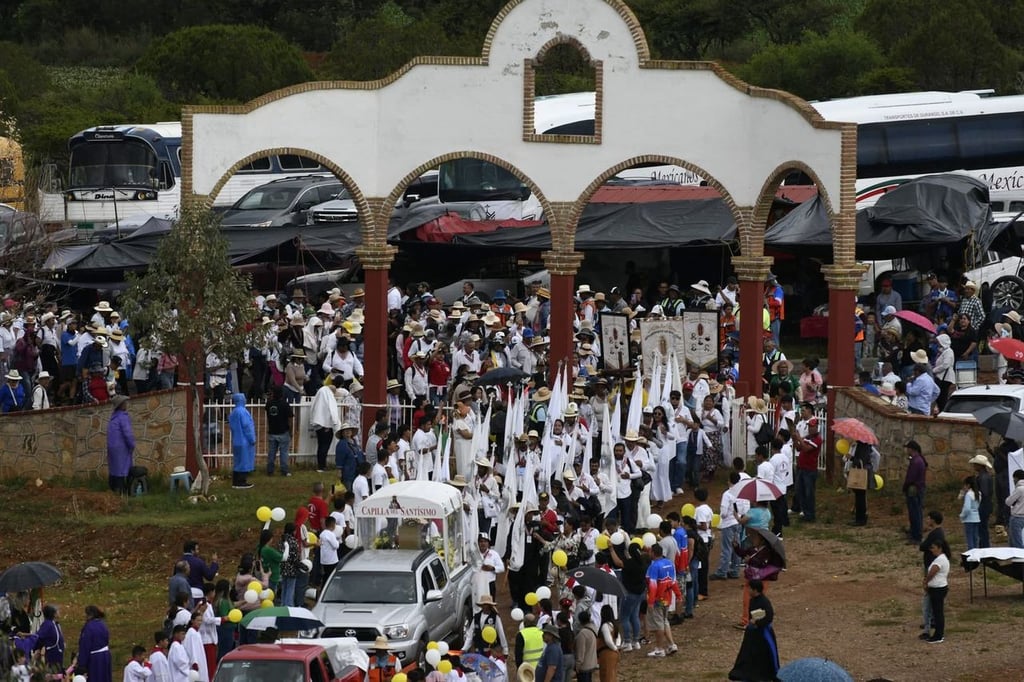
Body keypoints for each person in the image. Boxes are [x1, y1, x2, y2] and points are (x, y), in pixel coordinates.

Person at [728, 578, 780, 681]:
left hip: (763, 633)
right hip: (753, 632)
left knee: (763, 655)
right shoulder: (753, 601)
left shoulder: (764, 602)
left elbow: (769, 617)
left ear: (755, 590)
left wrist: (757, 622)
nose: (748, 591)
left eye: (750, 589)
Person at [645, 543, 681, 658]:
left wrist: (650, 601)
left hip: (657, 600)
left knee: (658, 624)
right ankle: (671, 644)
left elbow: (653, 585)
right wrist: (678, 595)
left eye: (650, 551)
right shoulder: (669, 563)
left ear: (653, 553)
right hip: (667, 598)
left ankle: (659, 649)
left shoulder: (654, 566)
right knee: (665, 621)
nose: (648, 553)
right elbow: (673, 581)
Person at [918, 510, 944, 640]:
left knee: (928, 596)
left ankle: (929, 622)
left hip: (930, 566)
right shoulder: (939, 533)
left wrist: (925, 581)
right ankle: (932, 620)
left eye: (928, 518)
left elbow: (923, 546)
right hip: (932, 566)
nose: (927, 520)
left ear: (933, 520)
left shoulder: (934, 534)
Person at [619, 542, 645, 652]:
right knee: (634, 616)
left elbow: (618, 562)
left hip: (629, 593)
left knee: (624, 617)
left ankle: (627, 641)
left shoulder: (629, 563)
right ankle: (636, 641)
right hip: (639, 594)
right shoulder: (642, 562)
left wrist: (611, 550)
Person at [923, 539, 951, 644]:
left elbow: (932, 572)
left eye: (933, 548)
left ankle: (938, 635)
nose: (932, 550)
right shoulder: (943, 559)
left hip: (937, 589)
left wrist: (926, 582)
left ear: (940, 548)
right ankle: (938, 634)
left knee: (938, 613)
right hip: (939, 587)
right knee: (937, 612)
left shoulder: (940, 560)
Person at [106, 394, 135, 494]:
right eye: (125, 403)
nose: (126, 404)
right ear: (121, 405)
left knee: (114, 468)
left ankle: (113, 488)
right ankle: (122, 490)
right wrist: (132, 445)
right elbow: (127, 433)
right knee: (122, 468)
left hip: (112, 446)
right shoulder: (123, 417)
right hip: (121, 447)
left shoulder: (113, 418)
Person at [77, 605, 113, 682]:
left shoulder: (89, 627)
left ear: (90, 615)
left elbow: (85, 646)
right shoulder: (102, 625)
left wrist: (82, 664)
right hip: (105, 656)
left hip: (95, 659)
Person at [228, 393, 255, 489]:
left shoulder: (233, 412)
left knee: (237, 462)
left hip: (236, 440)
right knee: (244, 462)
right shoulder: (243, 412)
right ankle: (241, 482)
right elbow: (247, 427)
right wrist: (252, 439)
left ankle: (235, 481)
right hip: (245, 441)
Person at [903, 441, 928, 544]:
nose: (907, 450)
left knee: (915, 512)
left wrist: (905, 486)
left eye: (908, 448)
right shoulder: (919, 460)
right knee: (917, 512)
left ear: (912, 449)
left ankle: (916, 535)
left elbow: (910, 478)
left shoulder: (916, 461)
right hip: (918, 488)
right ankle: (915, 532)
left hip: (914, 489)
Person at [265, 385, 292, 476]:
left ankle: (270, 470)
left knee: (271, 452)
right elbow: (290, 418)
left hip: (272, 431)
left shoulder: (269, 404)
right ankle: (284, 470)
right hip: (283, 431)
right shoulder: (285, 404)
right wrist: (290, 430)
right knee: (284, 452)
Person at [969, 454, 995, 548]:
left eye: (975, 464)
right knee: (982, 528)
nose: (974, 466)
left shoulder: (983, 477)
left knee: (982, 529)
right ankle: (983, 546)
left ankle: (985, 548)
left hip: (983, 506)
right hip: (986, 505)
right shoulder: (985, 476)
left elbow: (984, 493)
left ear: (980, 465)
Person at [33, 603, 65, 671]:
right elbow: (39, 637)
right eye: (58, 611)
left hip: (58, 656)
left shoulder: (55, 624)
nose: (59, 612)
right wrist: (37, 648)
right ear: (54, 614)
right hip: (52, 657)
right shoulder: (48, 625)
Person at [574, 610, 599, 682]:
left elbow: (580, 651)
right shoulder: (593, 629)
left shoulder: (582, 633)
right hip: (592, 663)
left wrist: (578, 665)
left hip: (584, 666)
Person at [596, 604, 619, 682]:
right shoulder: (614, 624)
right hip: (613, 653)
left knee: (606, 676)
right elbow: (618, 637)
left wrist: (614, 648)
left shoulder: (605, 626)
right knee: (612, 675)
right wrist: (617, 648)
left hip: (606, 653)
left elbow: (608, 640)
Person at [959, 475, 981, 551]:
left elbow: (967, 508)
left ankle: (971, 554)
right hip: (976, 518)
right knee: (975, 538)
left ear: (968, 485)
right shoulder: (978, 493)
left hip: (969, 519)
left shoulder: (969, 494)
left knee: (970, 538)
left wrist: (962, 515)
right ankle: (976, 553)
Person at [1006, 469, 1024, 549]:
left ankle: (1020, 559)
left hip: (1017, 517)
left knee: (1016, 541)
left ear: (1016, 478)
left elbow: (1008, 502)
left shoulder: (1019, 489)